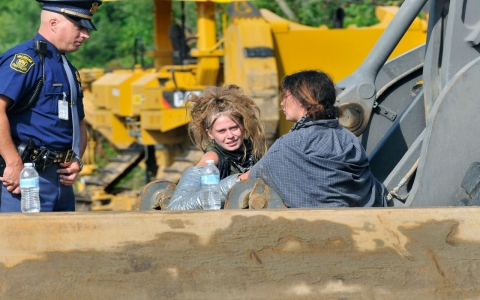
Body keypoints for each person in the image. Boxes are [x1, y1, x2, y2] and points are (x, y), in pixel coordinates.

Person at [0, 0, 102, 212]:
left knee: (64, 245)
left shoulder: (69, 69)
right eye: (80, 27)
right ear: (53, 23)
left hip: (61, 182)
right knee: (23, 244)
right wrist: (13, 162)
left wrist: (76, 160)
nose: (86, 35)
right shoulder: (25, 60)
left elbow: (78, 122)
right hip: (24, 181)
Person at [245, 70, 388, 207]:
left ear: (303, 99)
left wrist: (225, 184)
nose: (282, 103)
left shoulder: (289, 145)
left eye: (285, 96)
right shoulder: (349, 139)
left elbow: (253, 176)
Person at [167, 84, 267, 210]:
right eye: (221, 131)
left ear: (243, 125)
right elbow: (176, 207)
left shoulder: (253, 149)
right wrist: (242, 179)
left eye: (234, 128)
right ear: (210, 133)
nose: (230, 135)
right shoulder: (212, 158)